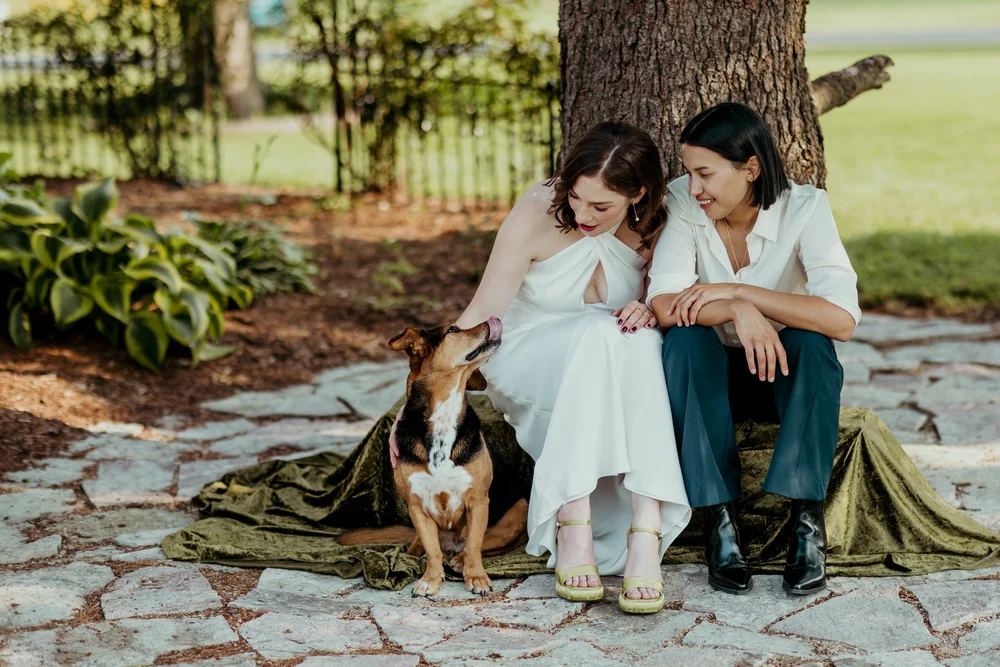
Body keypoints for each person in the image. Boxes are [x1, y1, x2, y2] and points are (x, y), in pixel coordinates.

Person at [442, 121, 690, 613]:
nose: (582, 214)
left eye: (601, 206)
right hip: (530, 351)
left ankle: (645, 528)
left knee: (635, 337)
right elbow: (483, 313)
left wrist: (648, 308)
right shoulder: (538, 208)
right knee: (603, 332)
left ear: (638, 194)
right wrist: (433, 390)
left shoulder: (658, 222)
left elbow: (664, 296)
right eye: (576, 197)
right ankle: (574, 521)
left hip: (614, 359)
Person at [649, 102, 860, 596]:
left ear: (751, 168)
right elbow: (663, 304)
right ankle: (719, 523)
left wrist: (745, 293)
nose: (694, 188)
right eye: (689, 173)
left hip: (780, 375)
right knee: (685, 340)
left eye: (705, 174)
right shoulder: (683, 202)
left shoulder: (805, 208)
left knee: (813, 343)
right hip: (707, 381)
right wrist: (737, 310)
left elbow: (842, 319)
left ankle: (807, 526)